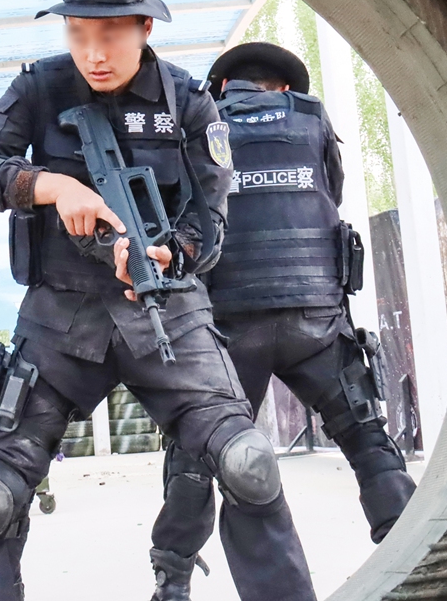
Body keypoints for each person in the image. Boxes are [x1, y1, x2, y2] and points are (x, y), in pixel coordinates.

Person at [0, 0, 317, 601]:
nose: (93, 54)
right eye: (79, 35)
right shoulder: (39, 90)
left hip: (169, 317)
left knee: (250, 466)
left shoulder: (191, 104)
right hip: (59, 326)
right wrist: (48, 185)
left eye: (112, 35)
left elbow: (212, 229)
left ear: (146, 26)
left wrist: (172, 254)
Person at [146, 43, 418, 599]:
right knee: (367, 438)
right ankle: (417, 557)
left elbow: (175, 217)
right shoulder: (314, 118)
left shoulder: (199, 122)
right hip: (317, 322)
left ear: (221, 87)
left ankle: (172, 581)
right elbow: (331, 195)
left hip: (227, 327)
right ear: (285, 88)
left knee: (203, 456)